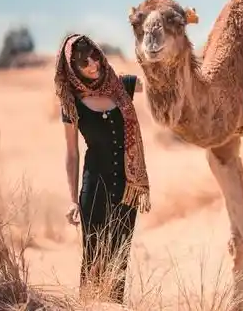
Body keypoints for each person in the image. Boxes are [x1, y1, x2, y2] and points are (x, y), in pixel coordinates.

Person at [54, 33, 151, 303]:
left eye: (95, 56)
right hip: (94, 187)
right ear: (72, 68)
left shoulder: (123, 86)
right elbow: (72, 153)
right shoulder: (70, 102)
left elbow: (157, 83)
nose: (94, 64)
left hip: (127, 188)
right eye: (85, 62)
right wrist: (73, 200)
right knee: (93, 257)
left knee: (119, 259)